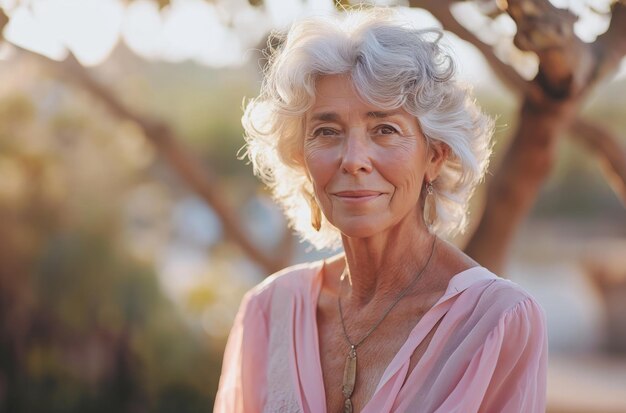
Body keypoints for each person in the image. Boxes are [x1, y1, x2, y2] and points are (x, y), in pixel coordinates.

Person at [214, 8, 547, 413]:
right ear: (300, 156)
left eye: (385, 129)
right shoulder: (269, 310)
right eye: (327, 131)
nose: (353, 160)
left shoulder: (499, 321)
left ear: (436, 156)